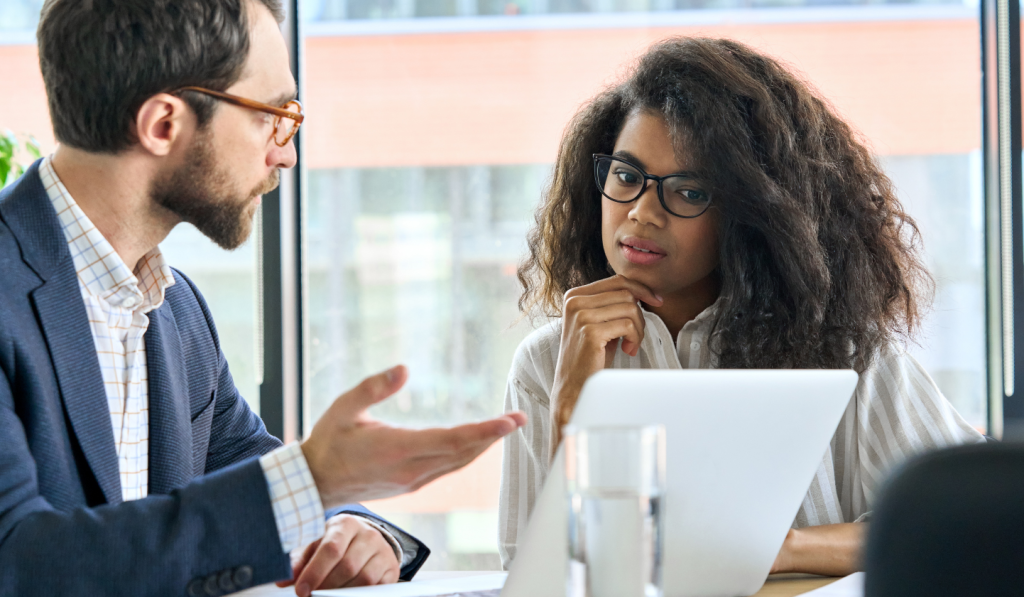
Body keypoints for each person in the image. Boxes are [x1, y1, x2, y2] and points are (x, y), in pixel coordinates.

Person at [0, 1, 526, 596]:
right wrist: (311, 479)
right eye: (270, 114)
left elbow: (251, 483)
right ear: (163, 125)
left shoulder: (173, 310)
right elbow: (19, 564)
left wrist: (356, 527)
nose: (287, 152)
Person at [497, 36, 983, 576]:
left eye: (688, 191)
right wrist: (574, 412)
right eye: (627, 177)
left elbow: (963, 526)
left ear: (752, 214)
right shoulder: (546, 363)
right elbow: (532, 575)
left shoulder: (846, 351)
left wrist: (785, 549)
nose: (641, 213)